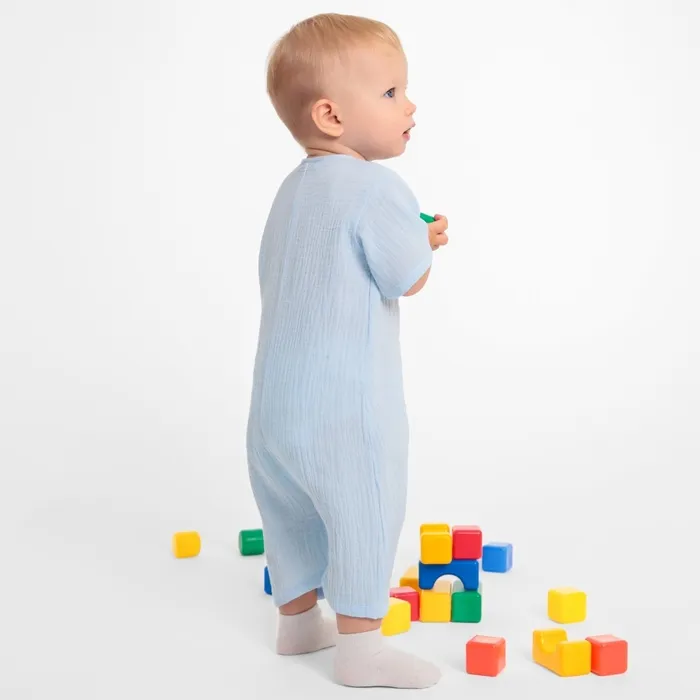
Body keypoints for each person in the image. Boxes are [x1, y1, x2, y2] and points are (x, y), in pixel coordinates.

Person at [245, 12, 449, 689]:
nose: (409, 104)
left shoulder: (290, 191)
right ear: (331, 115)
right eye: (391, 92)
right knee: (364, 507)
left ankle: (299, 623)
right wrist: (425, 241)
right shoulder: (376, 187)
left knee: (290, 513)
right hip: (345, 410)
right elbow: (405, 277)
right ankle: (362, 650)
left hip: (273, 409)